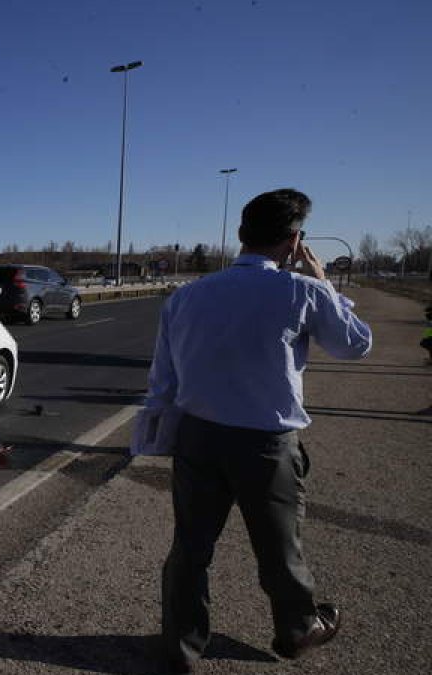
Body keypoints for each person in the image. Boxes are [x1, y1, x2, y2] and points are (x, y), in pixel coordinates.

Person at [146, 189, 372, 673]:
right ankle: (296, 628)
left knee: (190, 547)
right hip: (265, 446)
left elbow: (163, 380)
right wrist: (326, 285)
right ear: (294, 241)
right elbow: (354, 346)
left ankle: (180, 647)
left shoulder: (186, 296)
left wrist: (160, 436)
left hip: (198, 436)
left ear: (241, 235)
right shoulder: (303, 293)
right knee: (278, 547)